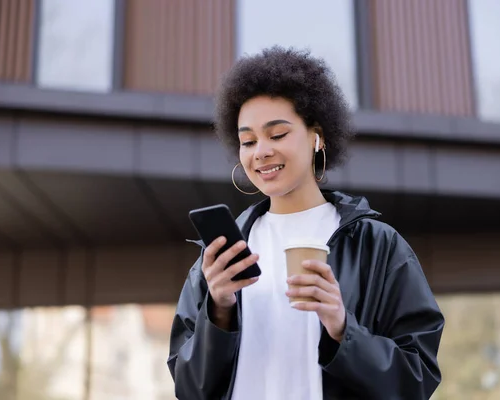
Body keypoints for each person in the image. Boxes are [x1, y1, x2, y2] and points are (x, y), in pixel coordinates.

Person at [167, 46, 444, 400]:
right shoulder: (222, 254)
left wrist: (343, 328)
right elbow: (188, 387)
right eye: (248, 141)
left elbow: (417, 380)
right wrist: (218, 311)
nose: (260, 151)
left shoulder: (378, 245)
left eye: (277, 134)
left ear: (317, 136)